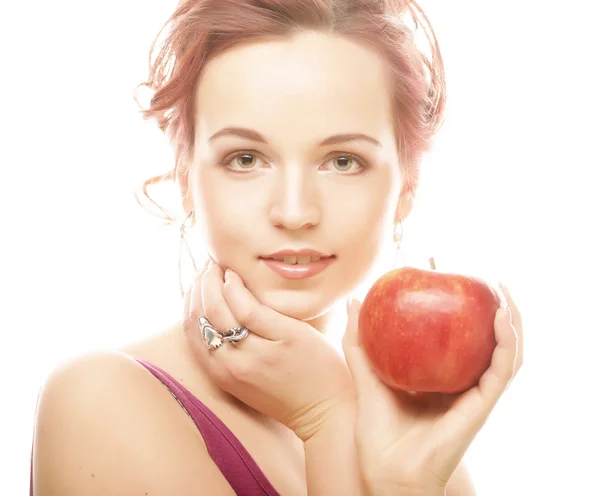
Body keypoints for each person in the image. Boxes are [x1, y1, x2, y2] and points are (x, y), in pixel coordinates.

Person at [30, 0, 523, 494]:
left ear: (405, 188)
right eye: (246, 158)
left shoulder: (420, 453)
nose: (294, 211)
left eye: (343, 161)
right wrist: (325, 416)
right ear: (185, 179)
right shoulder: (100, 401)